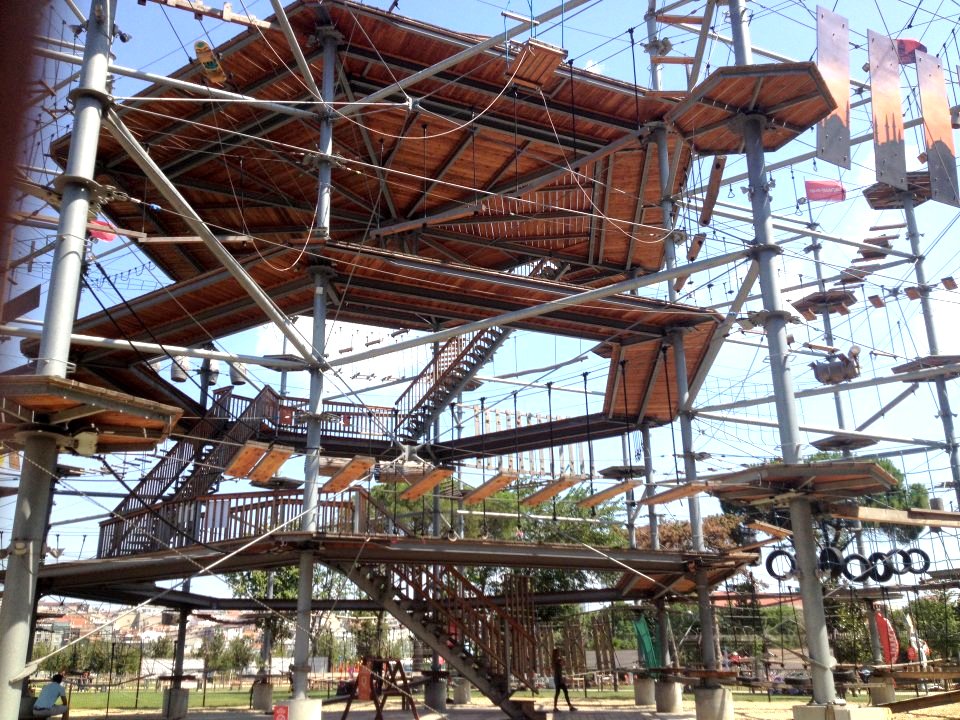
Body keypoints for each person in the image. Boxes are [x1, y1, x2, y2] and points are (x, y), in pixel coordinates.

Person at [552, 648, 577, 712]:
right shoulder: (556, 661)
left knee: (562, 692)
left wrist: (560, 656)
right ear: (556, 653)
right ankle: (568, 707)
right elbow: (563, 662)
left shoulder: (556, 660)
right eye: (558, 652)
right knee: (560, 693)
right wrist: (560, 656)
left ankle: (568, 706)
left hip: (558, 679)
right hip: (558, 680)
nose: (559, 653)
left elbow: (564, 662)